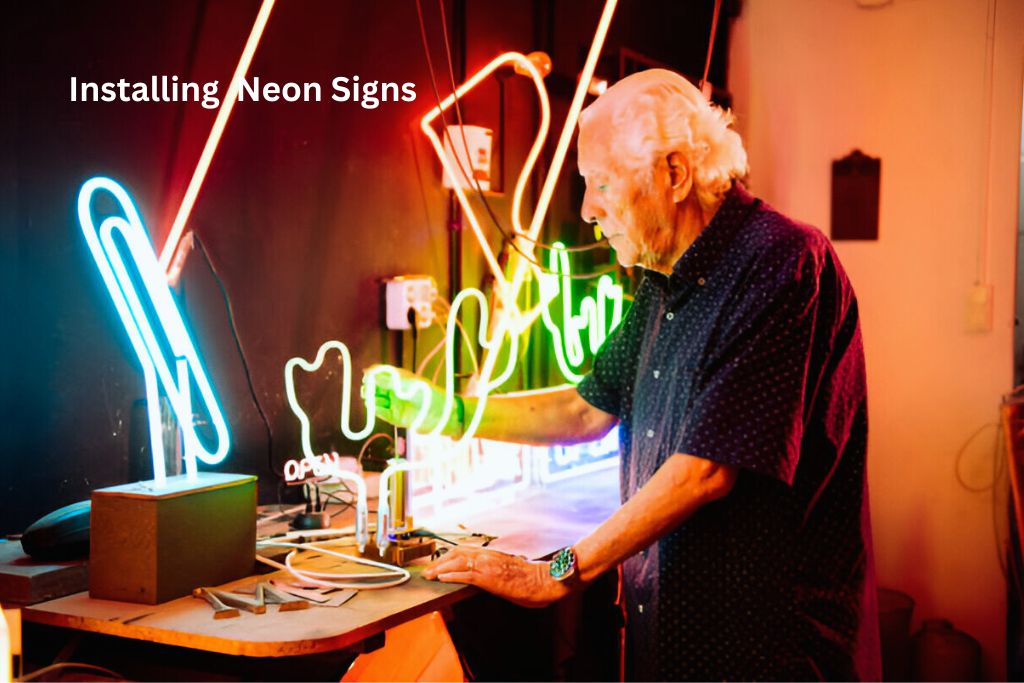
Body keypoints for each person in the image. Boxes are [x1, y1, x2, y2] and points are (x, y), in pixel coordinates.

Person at [368, 68, 880, 681]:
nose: (587, 210)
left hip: (764, 654)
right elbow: (589, 408)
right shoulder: (664, 279)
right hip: (672, 643)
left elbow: (706, 471)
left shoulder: (780, 262)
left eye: (601, 183)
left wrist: (551, 572)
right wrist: (448, 412)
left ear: (673, 173)